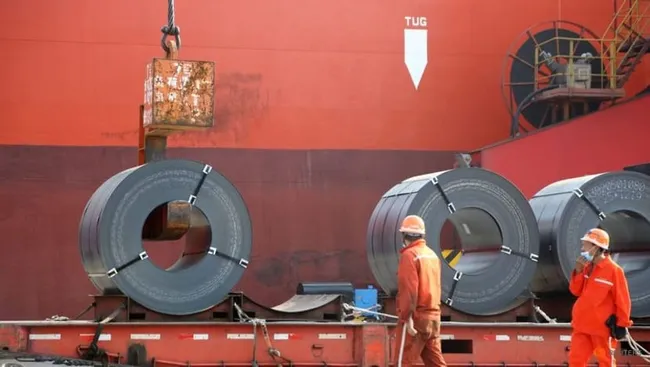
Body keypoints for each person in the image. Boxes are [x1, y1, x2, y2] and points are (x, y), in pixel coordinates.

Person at [568, 228, 632, 366]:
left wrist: (622, 324)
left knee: (606, 362)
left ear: (596, 248)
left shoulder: (614, 271)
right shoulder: (586, 268)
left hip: (601, 330)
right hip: (581, 326)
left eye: (585, 245)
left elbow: (623, 300)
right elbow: (575, 291)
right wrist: (578, 271)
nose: (582, 248)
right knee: (576, 362)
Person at [394, 215, 447, 367]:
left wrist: (407, 317)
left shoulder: (409, 255)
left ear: (404, 235)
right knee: (436, 363)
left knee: (402, 363)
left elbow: (409, 290)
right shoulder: (432, 255)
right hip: (433, 318)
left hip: (416, 318)